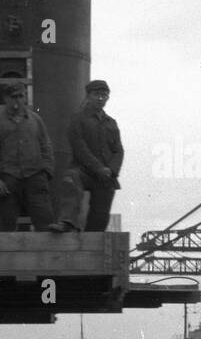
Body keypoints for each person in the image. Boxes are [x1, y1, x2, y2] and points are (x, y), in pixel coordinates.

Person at [62, 79, 123, 232]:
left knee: (100, 217)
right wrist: (99, 168)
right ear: (88, 96)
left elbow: (118, 150)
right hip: (84, 171)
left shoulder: (111, 123)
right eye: (97, 94)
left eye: (104, 95)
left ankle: (92, 238)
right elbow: (79, 147)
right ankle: (68, 222)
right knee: (72, 177)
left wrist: (111, 170)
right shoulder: (77, 119)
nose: (100, 98)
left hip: (105, 176)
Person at [0, 82, 55, 231]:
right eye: (13, 97)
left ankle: (47, 254)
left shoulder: (35, 120)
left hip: (35, 175)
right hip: (8, 178)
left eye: (20, 96)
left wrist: (46, 172)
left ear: (25, 97)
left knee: (44, 219)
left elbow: (46, 145)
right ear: (5, 98)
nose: (17, 100)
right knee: (6, 223)